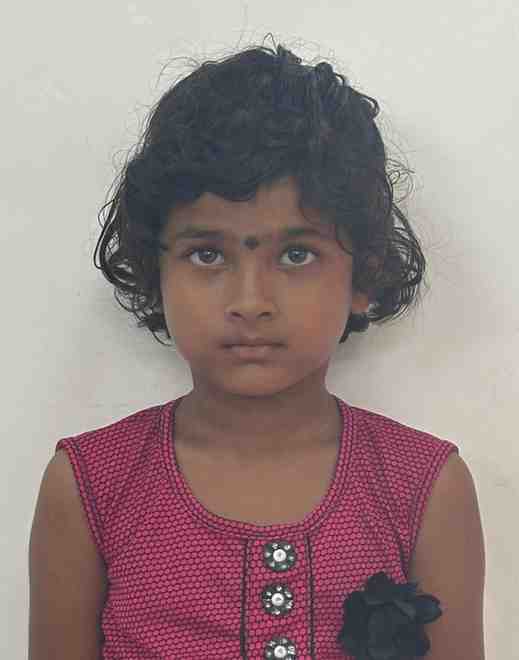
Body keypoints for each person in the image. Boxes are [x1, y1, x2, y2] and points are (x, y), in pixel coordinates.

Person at [28, 35, 486, 660]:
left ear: (364, 275)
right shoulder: (90, 489)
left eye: (296, 254)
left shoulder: (424, 488)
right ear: (155, 273)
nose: (250, 301)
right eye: (206, 254)